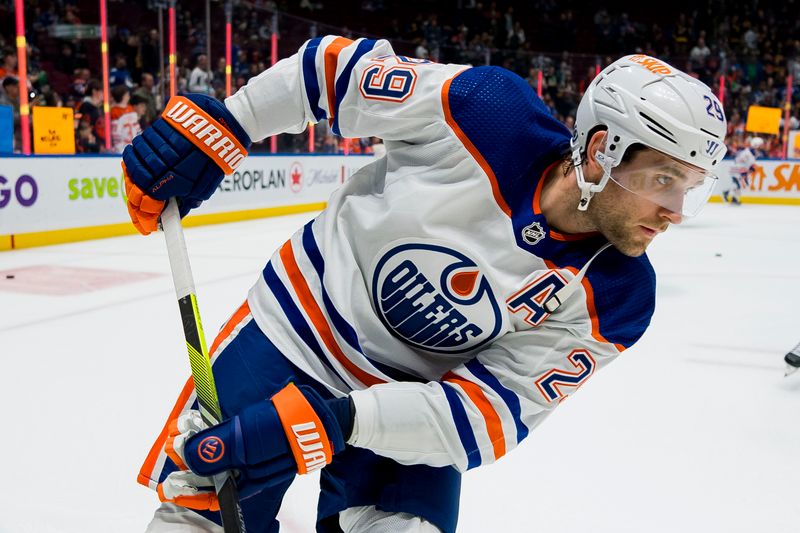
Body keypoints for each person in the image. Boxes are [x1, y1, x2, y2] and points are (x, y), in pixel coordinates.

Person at [121, 38, 726, 533]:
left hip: (409, 403)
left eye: (688, 186)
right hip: (296, 329)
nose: (674, 209)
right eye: (662, 178)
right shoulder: (486, 112)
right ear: (602, 151)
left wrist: (339, 421)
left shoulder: (617, 297)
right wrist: (231, 124)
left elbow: (482, 416)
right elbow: (332, 73)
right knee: (195, 516)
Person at [723, 136, 762, 205]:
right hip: (736, 169)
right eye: (760, 145)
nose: (761, 147)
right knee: (738, 185)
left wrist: (749, 169)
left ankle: (733, 198)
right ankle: (727, 193)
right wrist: (745, 173)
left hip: (738, 169)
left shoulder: (750, 152)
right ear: (757, 145)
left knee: (738, 185)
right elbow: (741, 163)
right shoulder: (748, 153)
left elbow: (748, 164)